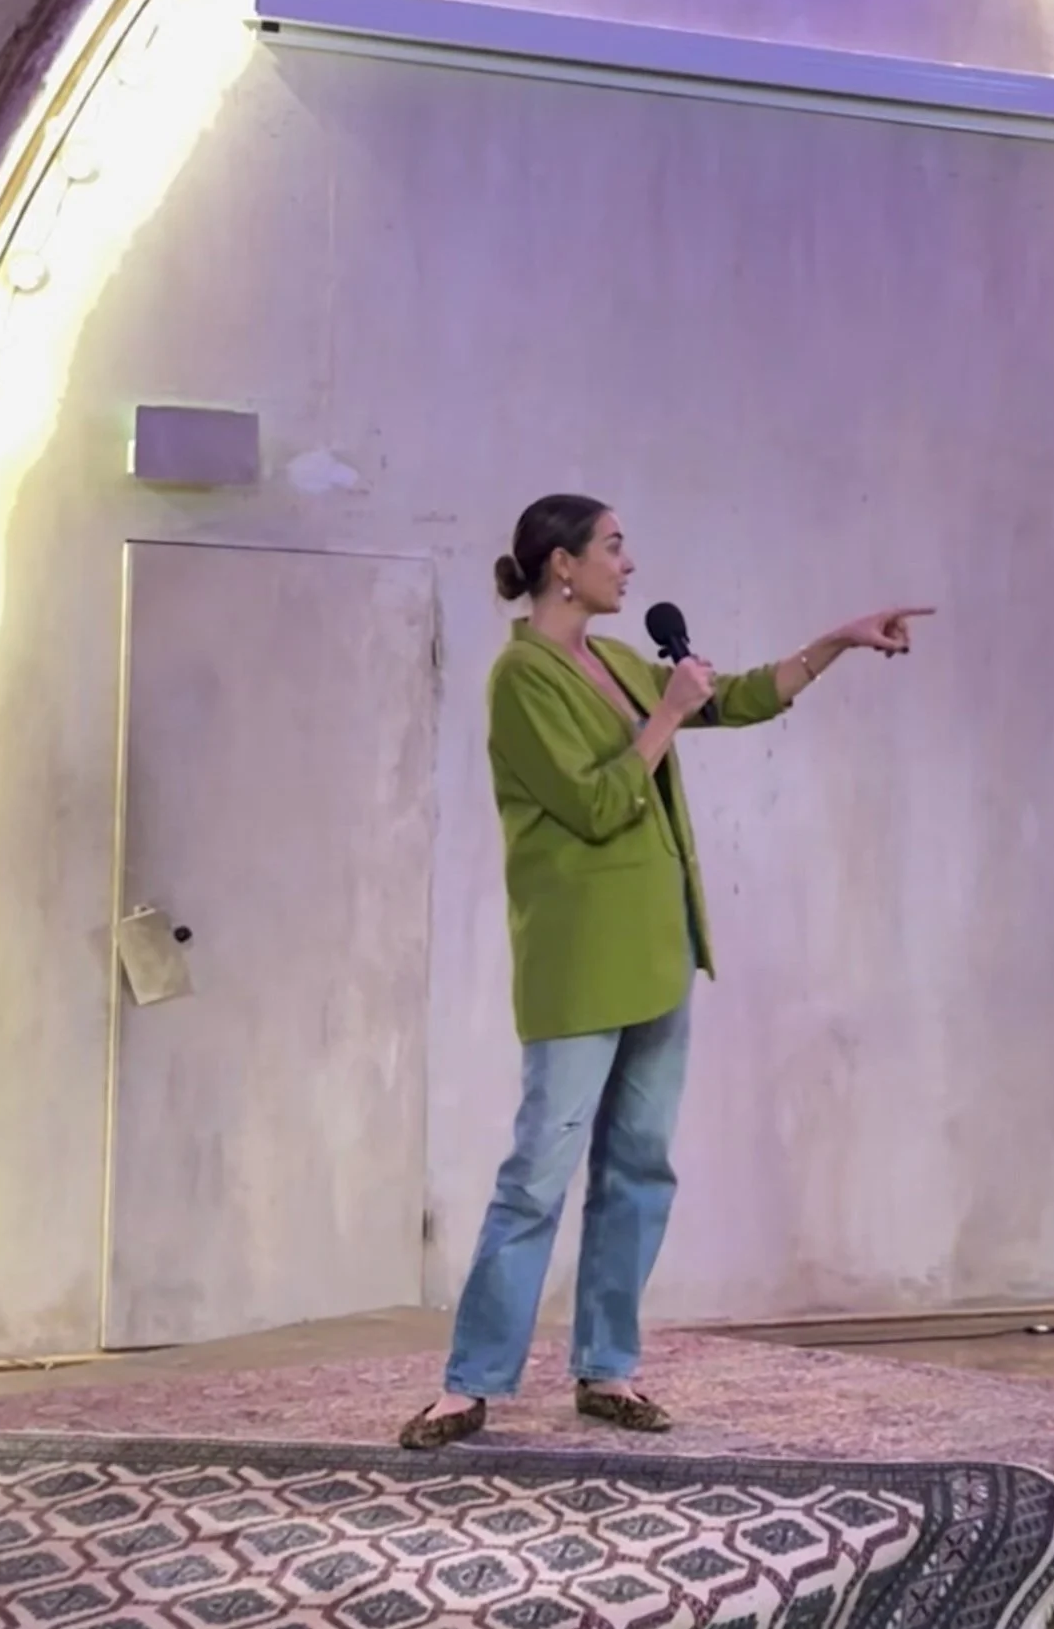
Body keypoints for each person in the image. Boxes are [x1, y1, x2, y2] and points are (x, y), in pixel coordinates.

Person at [398, 494, 932, 1449]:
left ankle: (607, 1367)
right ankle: (469, 1383)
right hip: (579, 964)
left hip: (659, 949)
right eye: (613, 546)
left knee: (639, 1168)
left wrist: (838, 642)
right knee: (538, 1173)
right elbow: (598, 805)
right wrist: (669, 713)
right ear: (562, 565)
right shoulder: (521, 678)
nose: (629, 563)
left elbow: (738, 696)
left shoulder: (613, 662)